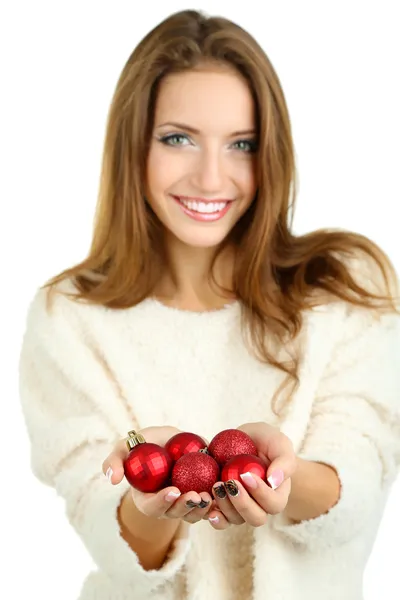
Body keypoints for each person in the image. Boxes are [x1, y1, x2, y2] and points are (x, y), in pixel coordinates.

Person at [18, 8, 400, 600]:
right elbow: (110, 542)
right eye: (178, 139)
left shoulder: (343, 288)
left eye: (242, 144)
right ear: (133, 146)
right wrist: (152, 502)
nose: (211, 177)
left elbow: (362, 485)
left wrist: (283, 476)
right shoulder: (69, 316)